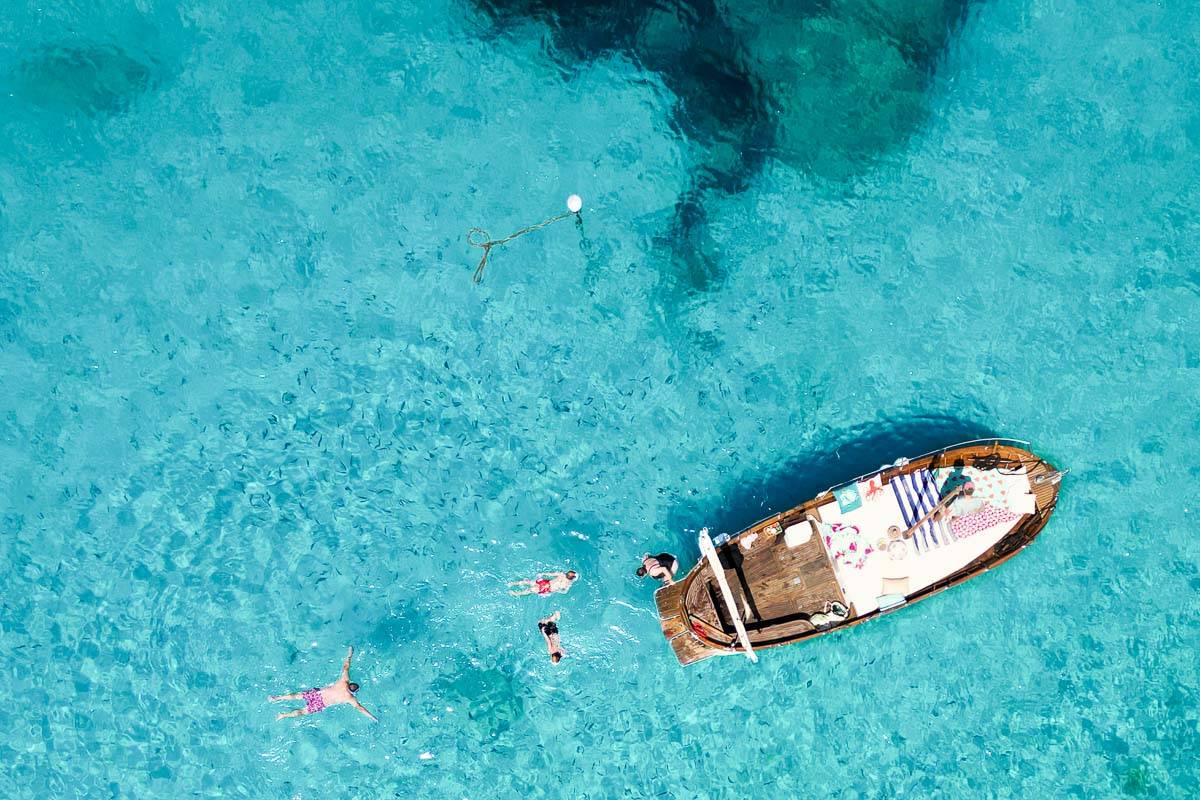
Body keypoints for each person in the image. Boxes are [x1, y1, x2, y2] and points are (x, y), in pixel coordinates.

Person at [269, 646, 377, 722]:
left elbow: (346, 666)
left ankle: (277, 699)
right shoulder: (350, 698)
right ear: (354, 692)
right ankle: (283, 715)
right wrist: (372, 717)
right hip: (321, 703)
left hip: (318, 694)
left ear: (350, 684)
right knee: (302, 711)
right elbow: (360, 708)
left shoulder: (344, 682)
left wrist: (349, 654)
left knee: (297, 696)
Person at [508, 570, 578, 597]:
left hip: (545, 582)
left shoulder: (561, 574)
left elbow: (550, 574)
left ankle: (512, 583)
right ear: (572, 578)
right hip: (547, 588)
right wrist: (556, 591)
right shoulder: (568, 584)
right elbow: (564, 592)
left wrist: (542, 574)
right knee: (530, 590)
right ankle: (515, 594)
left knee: (529, 582)